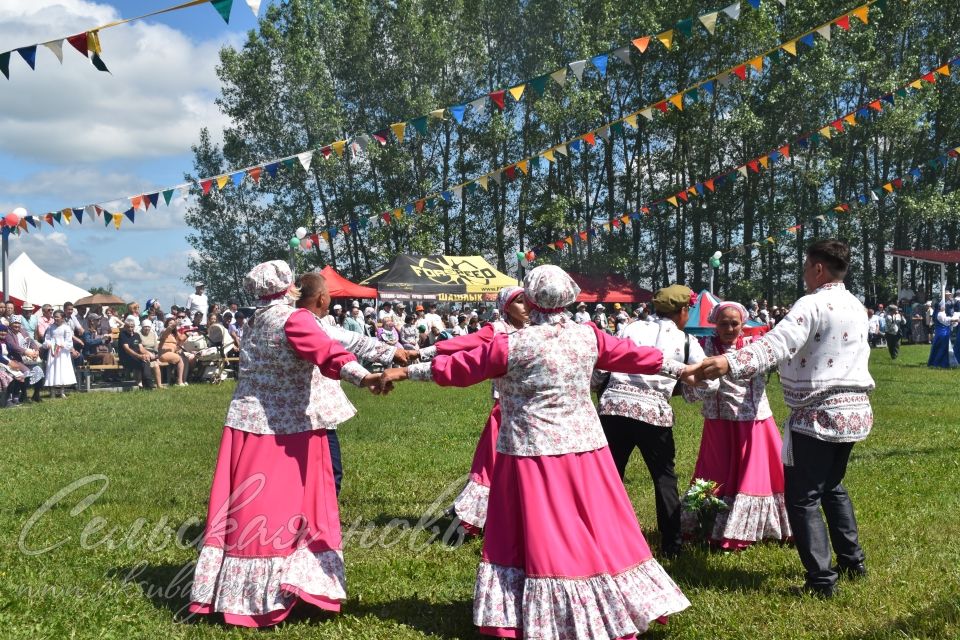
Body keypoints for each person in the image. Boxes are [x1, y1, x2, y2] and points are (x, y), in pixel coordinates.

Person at [379, 266, 692, 638]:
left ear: (529, 300)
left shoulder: (514, 343)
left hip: (531, 450)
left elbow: (461, 368)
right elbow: (635, 356)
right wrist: (683, 369)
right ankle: (604, 599)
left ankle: (548, 609)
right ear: (569, 297)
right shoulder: (588, 337)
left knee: (541, 533)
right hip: (586, 451)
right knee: (596, 527)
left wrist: (405, 373)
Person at [188, 260, 384, 627]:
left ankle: (238, 593)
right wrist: (364, 377)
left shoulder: (255, 320)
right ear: (288, 286)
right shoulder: (295, 319)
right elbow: (327, 352)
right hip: (287, 428)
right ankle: (278, 591)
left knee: (250, 509)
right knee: (289, 508)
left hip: (246, 425)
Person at [697, 239, 874, 598]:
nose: (804, 273)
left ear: (818, 268)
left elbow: (777, 343)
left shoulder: (812, 303)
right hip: (856, 411)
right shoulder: (856, 304)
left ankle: (822, 582)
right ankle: (852, 563)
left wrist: (730, 362)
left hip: (820, 412)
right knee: (832, 487)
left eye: (807, 266)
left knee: (804, 496)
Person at [596, 284, 717, 557]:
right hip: (653, 416)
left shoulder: (630, 328)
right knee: (664, 478)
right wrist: (682, 390)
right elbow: (711, 383)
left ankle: (604, 538)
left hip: (614, 409)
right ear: (683, 310)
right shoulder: (686, 342)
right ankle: (672, 545)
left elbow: (605, 363)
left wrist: (600, 387)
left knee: (610, 475)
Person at [417, 286, 527, 534]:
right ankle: (470, 519)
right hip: (505, 409)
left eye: (527, 301)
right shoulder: (496, 330)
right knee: (492, 464)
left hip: (534, 412)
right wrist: (419, 353)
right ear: (505, 307)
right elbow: (459, 345)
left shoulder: (535, 330)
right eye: (519, 302)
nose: (526, 307)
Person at [681, 301, 791, 549]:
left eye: (734, 323)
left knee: (755, 475)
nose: (729, 328)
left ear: (743, 324)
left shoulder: (754, 347)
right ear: (714, 324)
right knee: (715, 472)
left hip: (752, 421)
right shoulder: (704, 347)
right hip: (719, 420)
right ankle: (707, 523)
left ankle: (755, 527)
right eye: (723, 323)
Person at [295, 271, 410, 495]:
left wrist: (391, 353)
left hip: (287, 418)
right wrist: (371, 374)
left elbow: (348, 341)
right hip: (312, 416)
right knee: (328, 476)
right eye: (328, 293)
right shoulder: (306, 324)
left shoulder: (282, 321)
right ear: (321, 298)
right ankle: (319, 522)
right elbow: (343, 348)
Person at [5, 317, 45, 403]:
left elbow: (31, 341)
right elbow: (13, 347)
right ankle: (23, 395)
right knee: (26, 372)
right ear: (11, 324)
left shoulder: (22, 331)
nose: (17, 325)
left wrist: (36, 350)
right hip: (15, 359)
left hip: (28, 359)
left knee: (39, 371)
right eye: (14, 323)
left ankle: (36, 395)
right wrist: (26, 352)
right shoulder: (8, 333)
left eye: (18, 323)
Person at [43, 310, 79, 399]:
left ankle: (62, 391)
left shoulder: (66, 328)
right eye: (54, 316)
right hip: (53, 351)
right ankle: (52, 392)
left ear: (62, 318)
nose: (55, 318)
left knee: (62, 370)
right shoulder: (50, 327)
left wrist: (64, 345)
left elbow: (69, 341)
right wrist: (48, 343)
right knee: (52, 370)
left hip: (62, 352)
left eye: (57, 317)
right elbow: (47, 338)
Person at [118, 317, 157, 390]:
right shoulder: (122, 335)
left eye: (132, 327)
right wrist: (139, 356)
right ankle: (148, 382)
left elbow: (141, 348)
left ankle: (147, 383)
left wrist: (148, 354)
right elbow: (127, 349)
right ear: (125, 327)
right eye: (128, 327)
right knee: (143, 361)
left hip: (136, 357)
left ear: (134, 327)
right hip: (126, 357)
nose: (130, 329)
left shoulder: (136, 335)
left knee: (145, 359)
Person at [927, 299, 959, 368]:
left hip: (941, 333)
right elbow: (946, 320)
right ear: (940, 307)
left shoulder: (937, 313)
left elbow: (946, 322)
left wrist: (953, 320)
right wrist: (955, 319)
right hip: (942, 334)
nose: (944, 307)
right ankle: (940, 363)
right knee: (942, 349)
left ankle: (936, 363)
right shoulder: (940, 314)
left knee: (937, 348)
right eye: (943, 306)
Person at [157, 318, 188, 386]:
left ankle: (183, 379)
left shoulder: (173, 335)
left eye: (173, 323)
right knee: (180, 359)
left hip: (171, 353)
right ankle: (180, 381)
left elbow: (179, 341)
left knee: (185, 358)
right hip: (163, 353)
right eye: (170, 323)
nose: (172, 325)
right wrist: (174, 324)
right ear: (167, 325)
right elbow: (167, 331)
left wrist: (187, 335)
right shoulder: (164, 331)